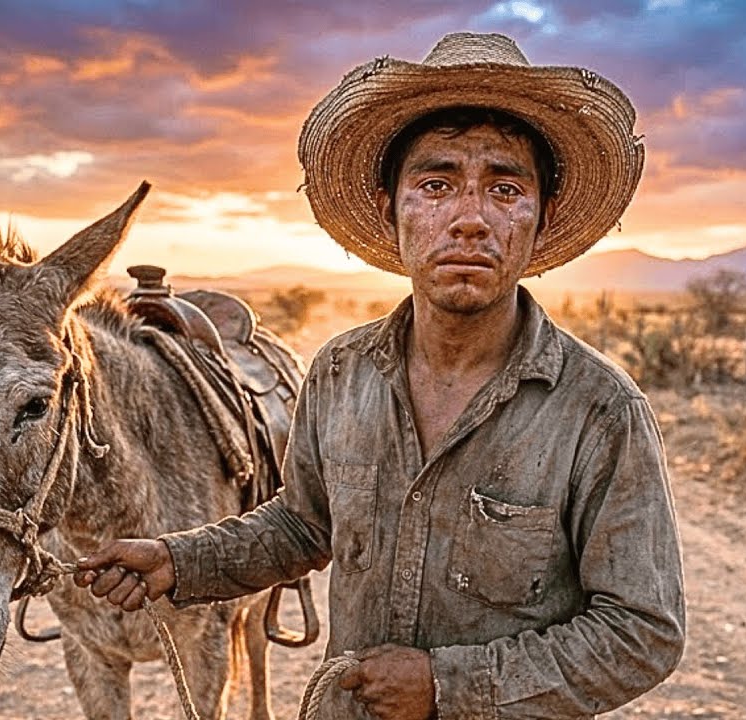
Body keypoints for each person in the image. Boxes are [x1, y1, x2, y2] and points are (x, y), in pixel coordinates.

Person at [75, 32, 685, 719]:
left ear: (542, 220)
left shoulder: (599, 410)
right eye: (435, 185)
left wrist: (445, 686)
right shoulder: (339, 372)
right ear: (387, 207)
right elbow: (303, 525)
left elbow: (643, 633)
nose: (470, 218)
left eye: (506, 188)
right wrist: (179, 562)